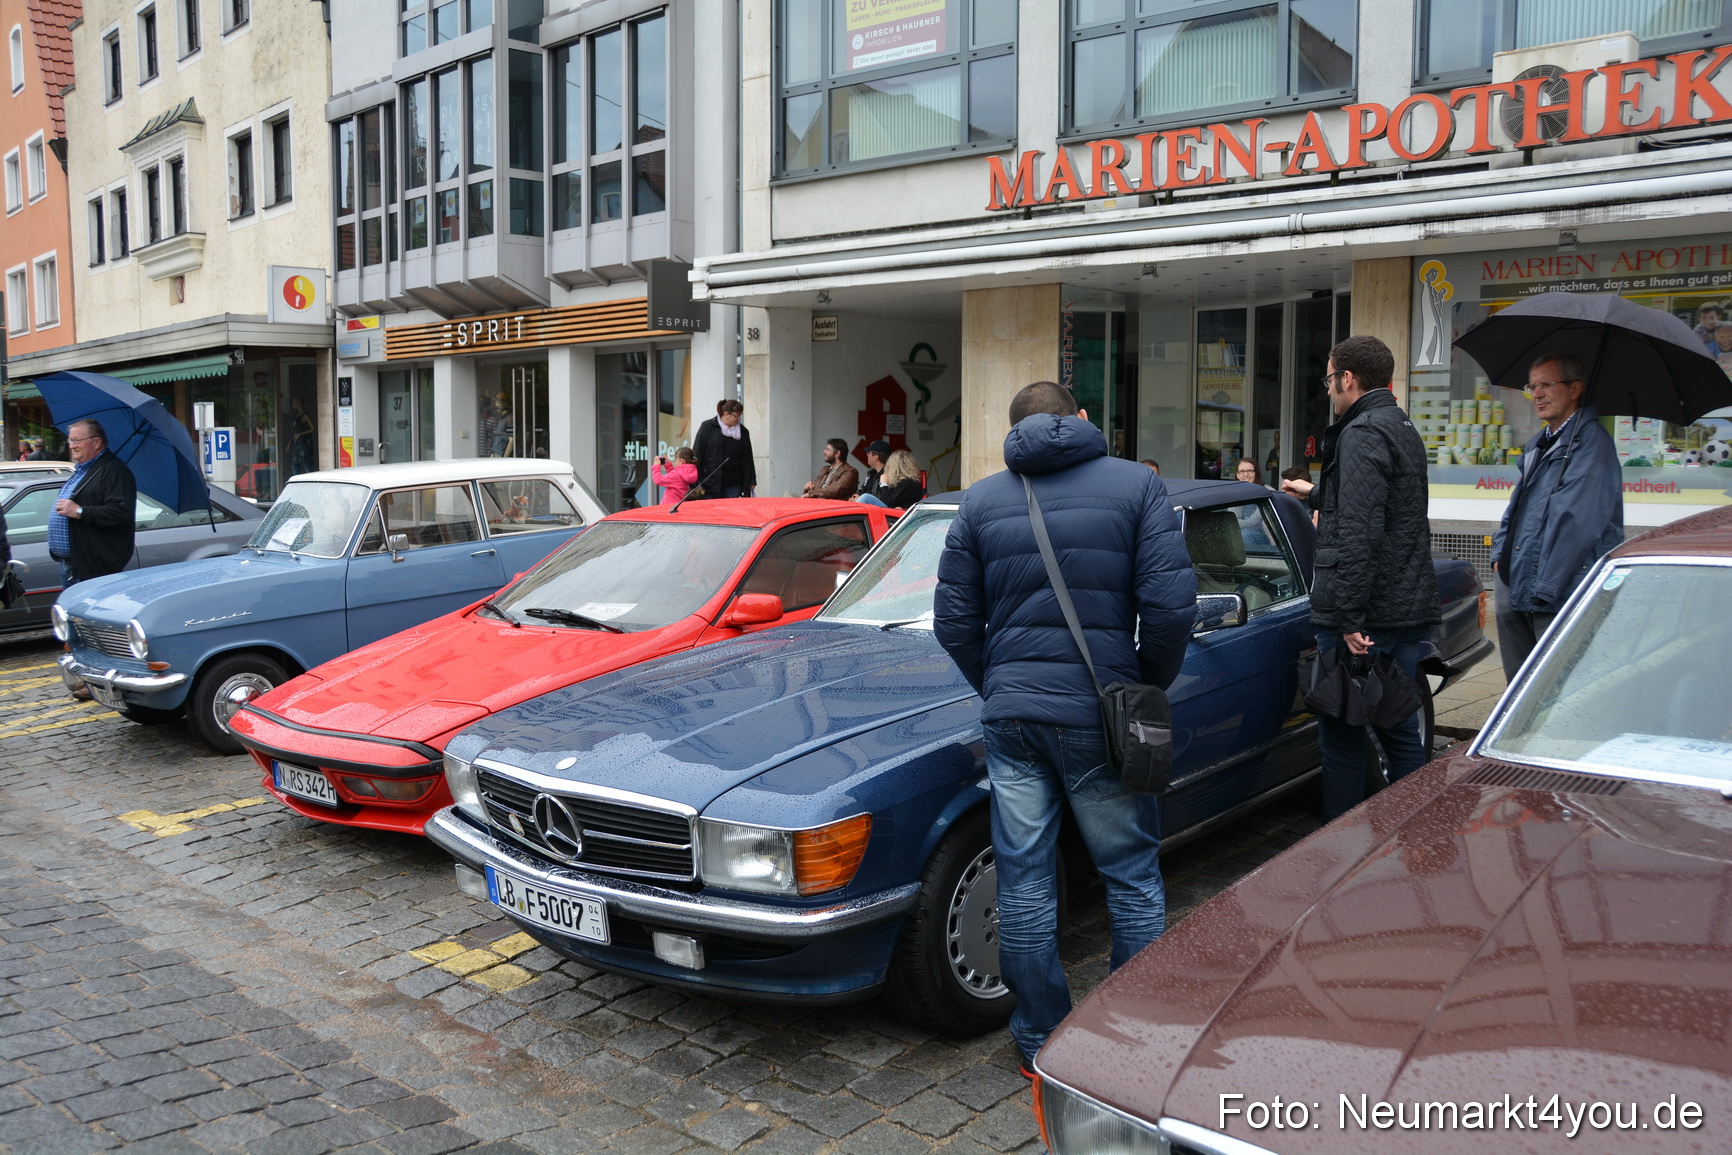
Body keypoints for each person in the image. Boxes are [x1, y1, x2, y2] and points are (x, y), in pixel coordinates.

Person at [934, 381, 1196, 1073]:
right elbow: (1172, 609)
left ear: (1014, 426)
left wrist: (998, 683)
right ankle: (1129, 1034)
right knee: (1131, 874)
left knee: (1023, 881)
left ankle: (1039, 1036)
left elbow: (953, 622)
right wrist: (1140, 685)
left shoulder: (980, 501)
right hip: (1098, 714)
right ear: (1081, 418)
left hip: (1012, 719)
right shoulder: (1137, 488)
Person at [1280, 336, 1437, 822]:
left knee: (1344, 742)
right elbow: (1378, 506)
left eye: (1329, 379)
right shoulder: (1399, 424)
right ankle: (1418, 833)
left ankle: (1344, 848)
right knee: (1399, 731)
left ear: (1348, 378)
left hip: (1366, 617)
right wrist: (1317, 494)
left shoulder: (1363, 431)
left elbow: (1361, 529)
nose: (1328, 389)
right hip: (1399, 605)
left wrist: (1347, 616)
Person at [1490, 351, 1622, 680]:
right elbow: (1516, 509)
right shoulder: (1541, 443)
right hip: (1517, 583)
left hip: (1552, 592)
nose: (1536, 394)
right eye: (1532, 386)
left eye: (1546, 384)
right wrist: (1499, 555)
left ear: (1575, 389)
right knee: (1519, 692)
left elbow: (1576, 524)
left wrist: (1545, 586)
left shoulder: (1592, 445)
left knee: (1552, 690)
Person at [49, 419, 138, 589]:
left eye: (77, 440)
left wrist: (80, 511)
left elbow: (121, 511)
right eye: (70, 440)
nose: (72, 446)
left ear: (96, 442)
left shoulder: (114, 471)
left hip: (96, 569)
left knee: (89, 615)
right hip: (73, 566)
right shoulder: (86, 470)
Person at [691, 399, 756, 498]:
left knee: (730, 511)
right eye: (736, 416)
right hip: (710, 482)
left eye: (740, 415)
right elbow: (697, 452)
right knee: (712, 512)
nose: (738, 419)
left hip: (734, 483)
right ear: (726, 414)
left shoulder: (743, 432)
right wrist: (693, 478)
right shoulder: (707, 427)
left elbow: (748, 457)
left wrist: (752, 479)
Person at [855, 448, 925, 509]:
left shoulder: (908, 483)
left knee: (866, 498)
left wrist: (884, 484)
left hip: (896, 516)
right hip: (896, 512)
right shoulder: (907, 481)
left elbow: (887, 502)